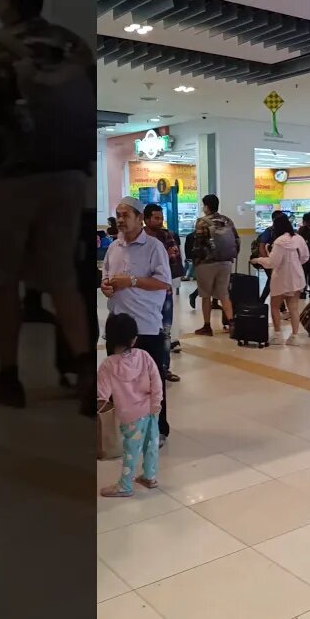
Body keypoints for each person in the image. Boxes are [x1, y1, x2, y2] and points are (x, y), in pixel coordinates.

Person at [0, 0, 93, 413]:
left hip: (10, 180)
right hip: (68, 178)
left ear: (8, 0)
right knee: (62, 280)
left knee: (3, 281)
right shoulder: (73, 46)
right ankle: (85, 373)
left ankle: (8, 378)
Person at [100, 198, 173, 447]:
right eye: (118, 215)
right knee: (119, 379)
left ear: (139, 218)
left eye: (125, 215)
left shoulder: (154, 247)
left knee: (151, 380)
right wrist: (106, 287)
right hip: (118, 324)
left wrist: (131, 281)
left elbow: (163, 282)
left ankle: (159, 428)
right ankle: (126, 425)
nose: (120, 219)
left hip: (146, 324)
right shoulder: (114, 247)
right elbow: (107, 279)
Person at [97, 314, 163, 498]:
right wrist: (156, 404)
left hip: (129, 415)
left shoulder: (107, 365)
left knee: (130, 450)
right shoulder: (144, 356)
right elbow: (157, 382)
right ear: (134, 339)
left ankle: (125, 485)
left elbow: (101, 395)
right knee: (151, 444)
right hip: (151, 409)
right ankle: (150, 477)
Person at [251, 213, 308, 346]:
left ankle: (278, 336)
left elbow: (273, 262)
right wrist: (296, 263)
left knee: (275, 306)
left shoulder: (279, 241)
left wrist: (257, 260)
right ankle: (294, 336)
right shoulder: (298, 239)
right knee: (293, 307)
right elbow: (305, 257)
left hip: (281, 278)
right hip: (297, 277)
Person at [188, 194, 239, 336]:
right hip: (225, 262)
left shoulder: (202, 222)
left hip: (207, 263)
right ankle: (232, 323)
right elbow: (237, 240)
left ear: (207, 207)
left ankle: (207, 326)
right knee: (224, 294)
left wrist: (195, 261)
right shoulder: (227, 221)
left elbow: (198, 244)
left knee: (205, 295)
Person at [143, 204, 183, 379]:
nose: (160, 222)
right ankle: (145, 370)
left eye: (161, 218)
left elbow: (174, 259)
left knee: (165, 330)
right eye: (156, 218)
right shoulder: (138, 237)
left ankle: (164, 368)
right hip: (142, 292)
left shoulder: (166, 235)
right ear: (145, 219)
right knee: (144, 330)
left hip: (163, 290)